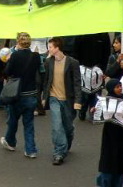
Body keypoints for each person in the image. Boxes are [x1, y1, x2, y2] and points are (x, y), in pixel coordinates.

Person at [0, 32, 42, 158]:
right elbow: (39, 70)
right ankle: (31, 150)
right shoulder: (35, 56)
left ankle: (10, 141)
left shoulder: (15, 56)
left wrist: (8, 61)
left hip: (17, 94)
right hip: (31, 93)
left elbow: (7, 73)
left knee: (13, 120)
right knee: (29, 123)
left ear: (18, 42)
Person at [42, 37, 81, 165]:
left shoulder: (72, 62)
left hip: (68, 100)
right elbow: (46, 81)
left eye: (50, 47)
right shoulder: (48, 62)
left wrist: (77, 101)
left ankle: (66, 143)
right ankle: (59, 153)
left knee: (68, 128)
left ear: (57, 48)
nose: (49, 49)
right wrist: (44, 97)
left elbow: (76, 83)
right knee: (57, 126)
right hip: (54, 98)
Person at [95, 79, 123, 187]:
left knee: (120, 166)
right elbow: (98, 112)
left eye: (120, 86)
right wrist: (95, 110)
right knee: (108, 165)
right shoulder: (105, 101)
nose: (120, 88)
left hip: (122, 137)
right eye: (117, 87)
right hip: (109, 137)